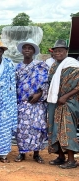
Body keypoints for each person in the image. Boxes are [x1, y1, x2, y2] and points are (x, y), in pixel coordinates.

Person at [15, 39, 49, 163]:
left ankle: (36, 153)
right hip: (23, 103)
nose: (27, 50)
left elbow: (46, 83)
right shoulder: (17, 67)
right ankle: (21, 153)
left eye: (30, 48)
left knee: (37, 128)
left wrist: (39, 94)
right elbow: (14, 85)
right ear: (22, 51)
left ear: (34, 51)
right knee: (21, 128)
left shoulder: (41, 66)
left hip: (38, 103)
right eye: (25, 48)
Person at [47, 40, 79, 169]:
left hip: (68, 102)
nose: (58, 53)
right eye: (55, 51)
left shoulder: (73, 64)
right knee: (55, 129)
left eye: (60, 50)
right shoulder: (54, 66)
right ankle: (61, 156)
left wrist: (65, 97)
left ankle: (71, 160)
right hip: (55, 101)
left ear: (66, 51)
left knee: (66, 129)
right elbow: (50, 83)